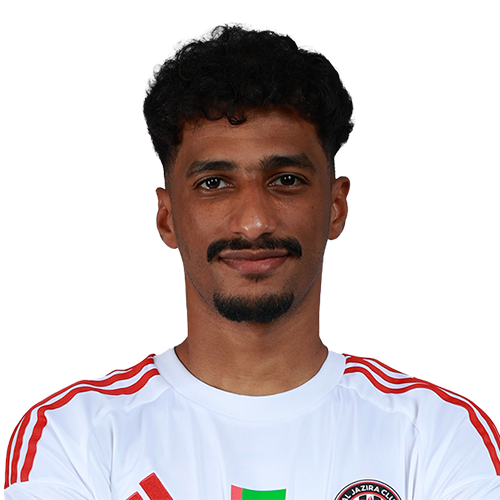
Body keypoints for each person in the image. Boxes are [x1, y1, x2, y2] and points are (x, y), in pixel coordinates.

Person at [4, 22, 499, 500]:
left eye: (286, 180)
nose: (254, 223)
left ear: (336, 207)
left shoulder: (440, 434)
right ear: (167, 218)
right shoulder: (73, 435)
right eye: (214, 183)